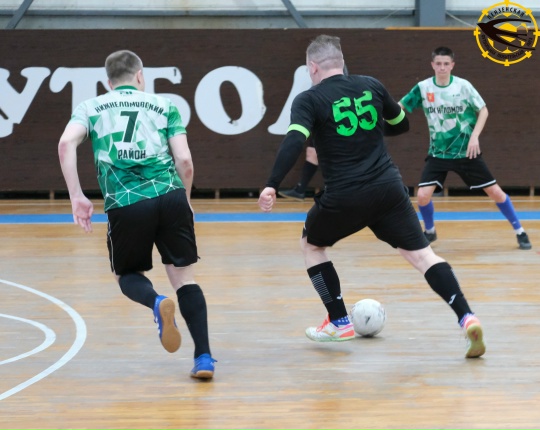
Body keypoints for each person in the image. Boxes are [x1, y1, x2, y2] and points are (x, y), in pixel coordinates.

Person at [258, 35, 486, 358]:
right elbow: (401, 124)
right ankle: (467, 317)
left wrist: (272, 183)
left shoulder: (308, 100)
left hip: (345, 196)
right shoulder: (371, 85)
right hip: (388, 190)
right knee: (424, 256)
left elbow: (295, 141)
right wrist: (373, 127)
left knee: (311, 245)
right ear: (341, 62)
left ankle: (339, 321)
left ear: (313, 67)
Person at [57, 50, 217, 379]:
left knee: (126, 274)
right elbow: (185, 161)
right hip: (170, 196)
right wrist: (185, 200)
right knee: (184, 278)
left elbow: (65, 144)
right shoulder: (165, 105)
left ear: (108, 82)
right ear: (140, 75)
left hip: (126, 202)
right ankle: (203, 358)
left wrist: (76, 196)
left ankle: (156, 302)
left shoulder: (90, 107)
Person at [399, 46, 531, 250]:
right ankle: (430, 231)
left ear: (452, 65)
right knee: (422, 196)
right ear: (432, 65)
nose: (442, 68)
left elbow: (483, 110)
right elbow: (401, 106)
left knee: (495, 192)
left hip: (466, 152)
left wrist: (474, 137)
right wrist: (383, 112)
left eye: (446, 64)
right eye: (438, 64)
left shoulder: (463, 86)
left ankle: (520, 231)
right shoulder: (423, 88)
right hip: (439, 154)